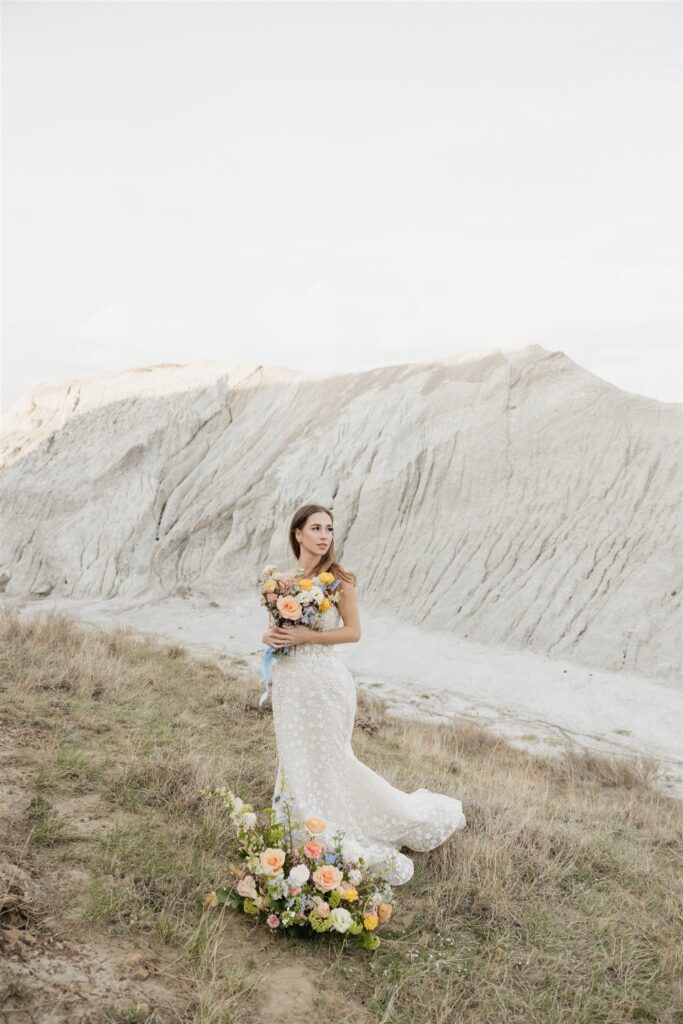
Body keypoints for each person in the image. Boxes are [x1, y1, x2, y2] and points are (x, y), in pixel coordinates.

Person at [261, 502, 466, 885]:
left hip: (325, 683)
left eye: (330, 529)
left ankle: (366, 822)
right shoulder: (282, 583)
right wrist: (270, 636)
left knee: (331, 758)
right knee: (296, 757)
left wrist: (310, 636)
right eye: (317, 528)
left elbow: (353, 631)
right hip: (290, 683)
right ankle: (300, 827)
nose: (324, 536)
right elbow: (274, 629)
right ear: (298, 534)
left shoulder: (339, 579)